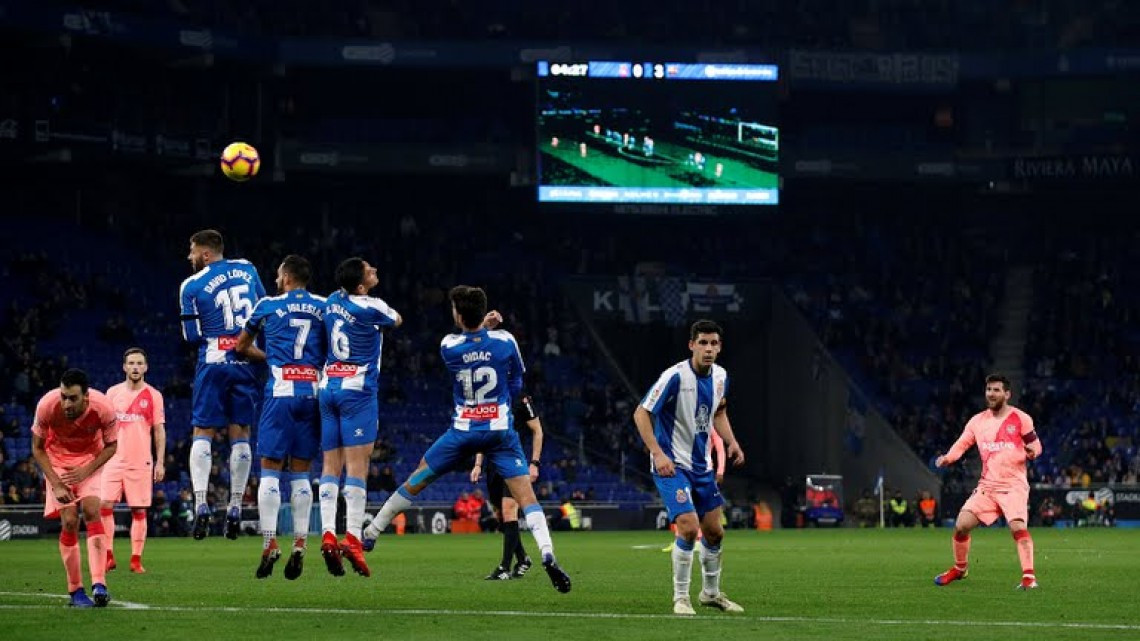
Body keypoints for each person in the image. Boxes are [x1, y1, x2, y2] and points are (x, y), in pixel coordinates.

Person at [362, 286, 571, 593]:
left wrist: (479, 329)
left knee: (419, 474)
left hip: (463, 430)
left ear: (458, 315)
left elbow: (467, 345)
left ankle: (372, 531)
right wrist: (488, 333)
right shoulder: (506, 340)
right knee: (527, 499)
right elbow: (516, 382)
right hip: (500, 431)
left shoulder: (449, 345)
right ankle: (547, 554)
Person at [632, 319, 745, 615]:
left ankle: (711, 593)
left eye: (714, 343)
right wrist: (657, 453)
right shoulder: (675, 377)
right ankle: (680, 598)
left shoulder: (721, 376)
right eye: (703, 343)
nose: (708, 349)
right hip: (672, 465)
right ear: (691, 345)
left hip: (702, 466)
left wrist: (731, 442)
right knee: (688, 527)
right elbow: (641, 413)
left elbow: (719, 412)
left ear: (720, 347)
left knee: (715, 532)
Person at [236, 255, 326, 580]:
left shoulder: (267, 305)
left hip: (280, 392)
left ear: (286, 277)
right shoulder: (325, 306)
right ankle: (300, 544)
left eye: (277, 274)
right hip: (313, 393)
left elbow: (240, 347)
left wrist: (270, 356)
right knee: (302, 472)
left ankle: (269, 542)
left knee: (270, 470)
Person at [317, 258, 401, 578]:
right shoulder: (371, 305)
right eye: (369, 270)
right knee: (357, 468)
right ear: (362, 286)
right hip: (358, 391)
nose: (376, 269)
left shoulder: (332, 301)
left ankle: (327, 533)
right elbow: (397, 319)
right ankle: (352, 537)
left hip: (328, 388)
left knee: (329, 466)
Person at [179, 229, 266, 540]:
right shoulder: (247, 268)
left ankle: (201, 503)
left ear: (205, 254)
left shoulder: (191, 285)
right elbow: (262, 311)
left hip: (214, 361)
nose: (189, 257)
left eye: (191, 251)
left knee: (202, 431)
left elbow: (190, 337)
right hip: (245, 361)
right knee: (240, 433)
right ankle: (235, 507)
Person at [934, 374, 1042, 590]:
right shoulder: (977, 421)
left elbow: (1036, 445)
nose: (991, 394)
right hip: (987, 487)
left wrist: (1032, 452)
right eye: (988, 390)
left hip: (1013, 486)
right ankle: (960, 569)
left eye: (996, 390)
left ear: (1007, 394)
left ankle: (1029, 577)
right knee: (961, 525)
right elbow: (962, 443)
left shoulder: (1021, 418)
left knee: (1017, 527)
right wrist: (948, 457)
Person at [30, 369, 119, 607]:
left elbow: (111, 446)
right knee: (69, 520)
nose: (66, 403)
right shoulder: (47, 405)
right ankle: (75, 591)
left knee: (92, 511)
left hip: (89, 461)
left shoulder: (104, 408)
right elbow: (37, 448)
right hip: (58, 462)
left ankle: (100, 584)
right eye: (63, 396)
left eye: (72, 398)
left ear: (86, 398)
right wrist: (56, 483)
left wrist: (87, 471)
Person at [99, 348, 166, 574]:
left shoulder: (154, 395)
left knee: (138, 510)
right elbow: (103, 428)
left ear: (145, 367)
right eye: (131, 363)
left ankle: (136, 559)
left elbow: (159, 431)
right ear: (124, 367)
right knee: (104, 505)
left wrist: (160, 462)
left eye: (139, 363)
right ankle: (108, 556)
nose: (135, 367)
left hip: (140, 461)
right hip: (113, 460)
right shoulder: (112, 393)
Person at [469, 392, 545, 580]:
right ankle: (523, 558)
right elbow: (481, 435)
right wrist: (478, 464)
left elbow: (537, 430)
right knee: (501, 515)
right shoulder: (488, 396)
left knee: (509, 509)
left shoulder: (521, 397)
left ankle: (504, 567)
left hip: (513, 462)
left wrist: (535, 463)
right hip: (493, 465)